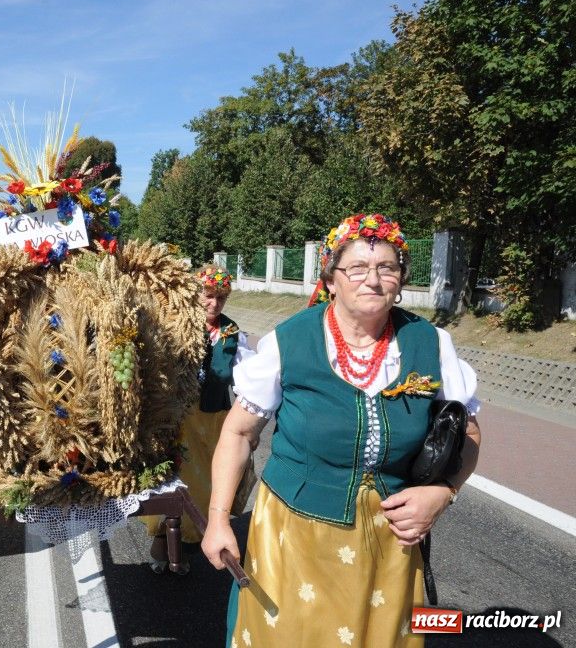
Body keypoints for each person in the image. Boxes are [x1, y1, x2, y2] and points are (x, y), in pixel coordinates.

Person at [202, 214, 482, 647]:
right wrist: (219, 520)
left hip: (390, 542)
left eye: (387, 268)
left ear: (400, 279)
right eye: (356, 268)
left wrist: (443, 492)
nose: (373, 279)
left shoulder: (431, 343)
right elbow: (239, 434)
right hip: (294, 537)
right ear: (331, 280)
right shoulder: (290, 341)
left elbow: (468, 433)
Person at [143, 265, 255, 574]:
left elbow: (246, 381)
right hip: (180, 422)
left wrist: (250, 423)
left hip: (215, 420)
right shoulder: (175, 326)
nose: (214, 305)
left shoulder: (232, 335)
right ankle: (164, 542)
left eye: (221, 299)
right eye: (208, 297)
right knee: (175, 484)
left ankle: (189, 543)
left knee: (207, 486)